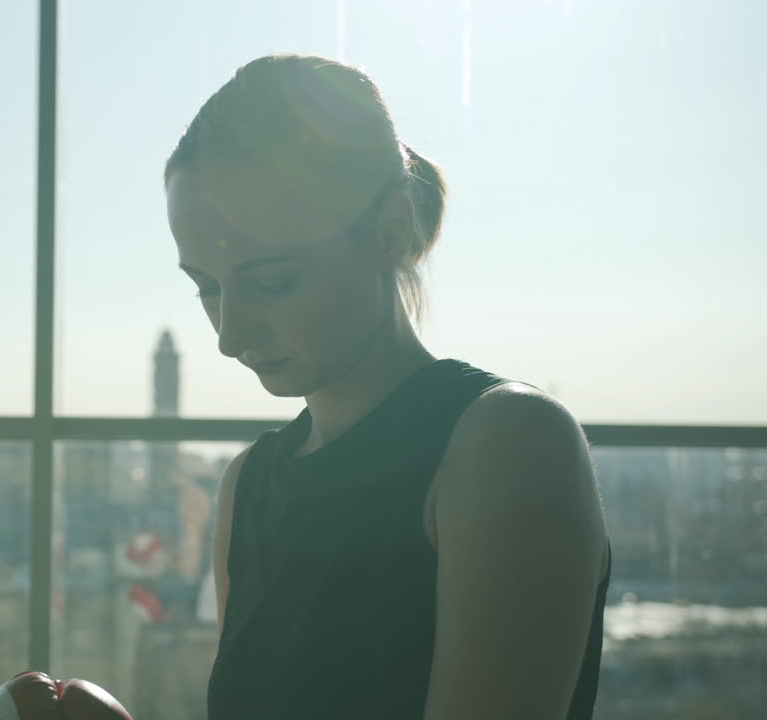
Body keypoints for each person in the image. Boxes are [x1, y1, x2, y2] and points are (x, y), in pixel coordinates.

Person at [163, 54, 612, 719]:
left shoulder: (508, 445)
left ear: (391, 231)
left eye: (274, 281)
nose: (229, 335)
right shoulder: (247, 484)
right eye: (207, 286)